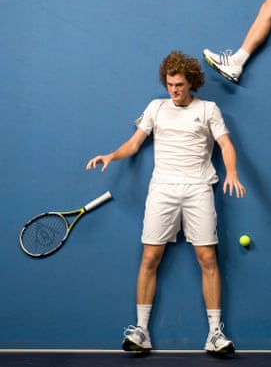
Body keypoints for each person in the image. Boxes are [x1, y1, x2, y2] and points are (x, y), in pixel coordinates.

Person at [86, 51, 246, 354]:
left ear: (192, 83)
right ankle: (141, 331)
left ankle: (214, 335)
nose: (173, 90)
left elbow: (225, 144)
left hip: (199, 189)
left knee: (208, 260)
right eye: (170, 84)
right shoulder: (156, 108)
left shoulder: (209, 109)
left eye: (180, 85)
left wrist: (233, 173)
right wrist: (111, 156)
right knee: (149, 259)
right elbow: (134, 144)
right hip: (162, 191)